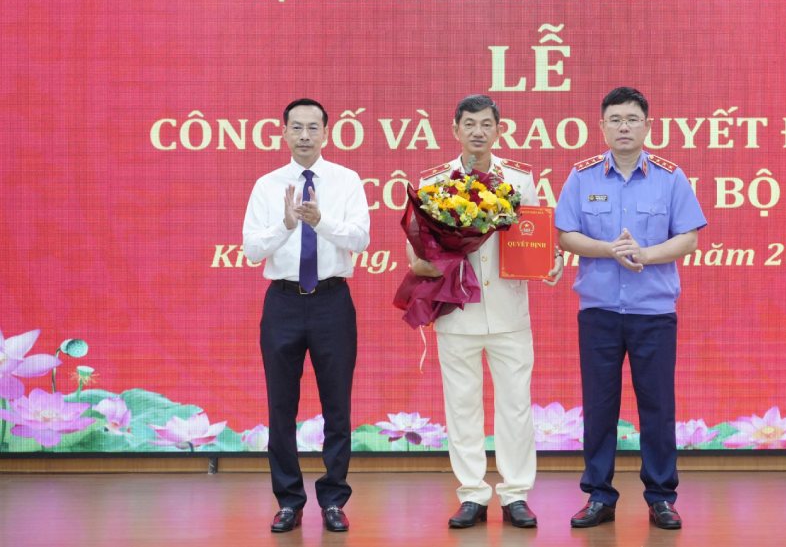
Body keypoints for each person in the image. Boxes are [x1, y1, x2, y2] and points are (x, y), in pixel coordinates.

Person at [407, 94, 564, 529]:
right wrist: (434, 264)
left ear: (499, 129)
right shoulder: (435, 183)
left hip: (509, 312)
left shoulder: (519, 179)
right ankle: (472, 494)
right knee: (462, 407)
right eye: (470, 124)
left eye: (486, 124)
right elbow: (414, 253)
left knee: (516, 406)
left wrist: (551, 260)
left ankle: (516, 494)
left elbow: (535, 236)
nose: (478, 132)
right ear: (455, 129)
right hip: (456, 312)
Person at [554, 87, 706, 531]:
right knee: (599, 407)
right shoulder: (582, 176)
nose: (624, 127)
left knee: (657, 407)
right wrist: (608, 249)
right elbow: (565, 235)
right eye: (615, 119)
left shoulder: (670, 177)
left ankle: (661, 497)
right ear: (601, 126)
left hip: (653, 312)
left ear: (647, 126)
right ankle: (599, 496)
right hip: (599, 311)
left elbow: (689, 238)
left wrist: (645, 254)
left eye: (632, 119)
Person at [242, 98, 370, 533]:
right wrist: (286, 225)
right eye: (296, 127)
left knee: (337, 406)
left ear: (326, 133)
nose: (304, 136)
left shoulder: (346, 180)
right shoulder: (267, 185)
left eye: (313, 128)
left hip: (332, 301)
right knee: (281, 406)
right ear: (283, 133)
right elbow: (251, 249)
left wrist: (320, 221)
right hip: (283, 302)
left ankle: (333, 500)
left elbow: (361, 239)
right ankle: (288, 501)